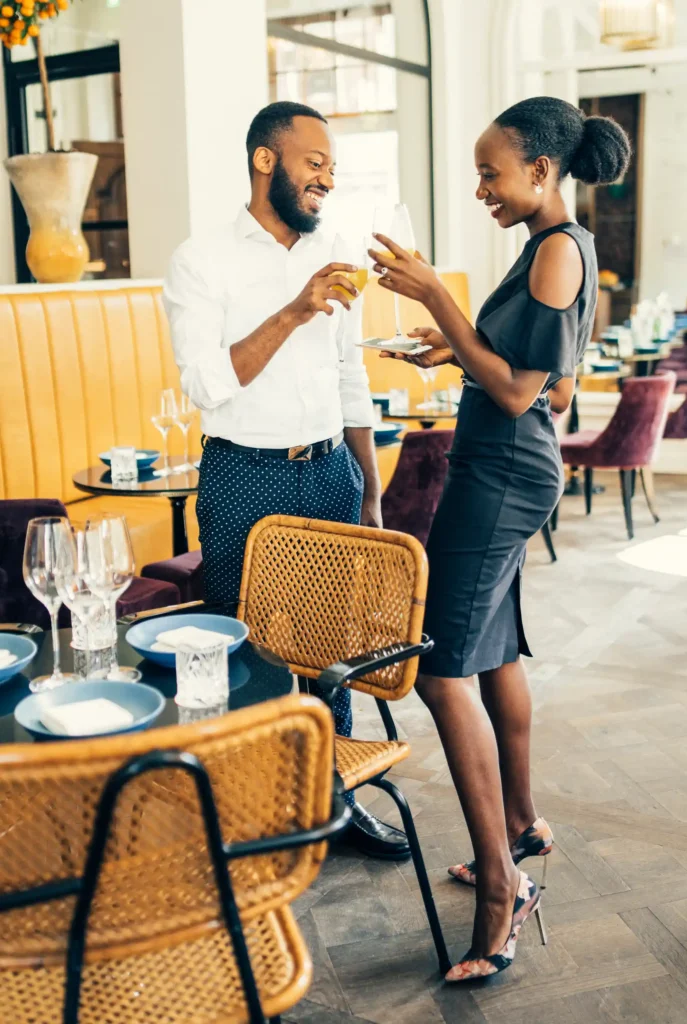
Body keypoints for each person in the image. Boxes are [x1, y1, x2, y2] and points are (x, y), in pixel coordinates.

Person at [373, 97, 630, 981]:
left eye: (491, 172)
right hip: (510, 467)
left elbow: (522, 392)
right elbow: (540, 377)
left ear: (541, 170)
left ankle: (500, 884)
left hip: (500, 472)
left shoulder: (556, 250)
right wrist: (451, 349)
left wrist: (439, 297)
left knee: (439, 670)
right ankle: (520, 824)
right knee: (492, 655)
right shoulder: (559, 246)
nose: (481, 187)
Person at [163, 101, 410, 861]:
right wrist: (295, 309)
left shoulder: (332, 248)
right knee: (251, 650)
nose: (326, 180)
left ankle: (330, 804)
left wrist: (368, 488)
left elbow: (347, 378)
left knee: (329, 648)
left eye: (332, 167)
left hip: (330, 471)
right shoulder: (200, 260)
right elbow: (207, 384)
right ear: (266, 161)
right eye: (315, 163)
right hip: (244, 476)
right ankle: (251, 809)